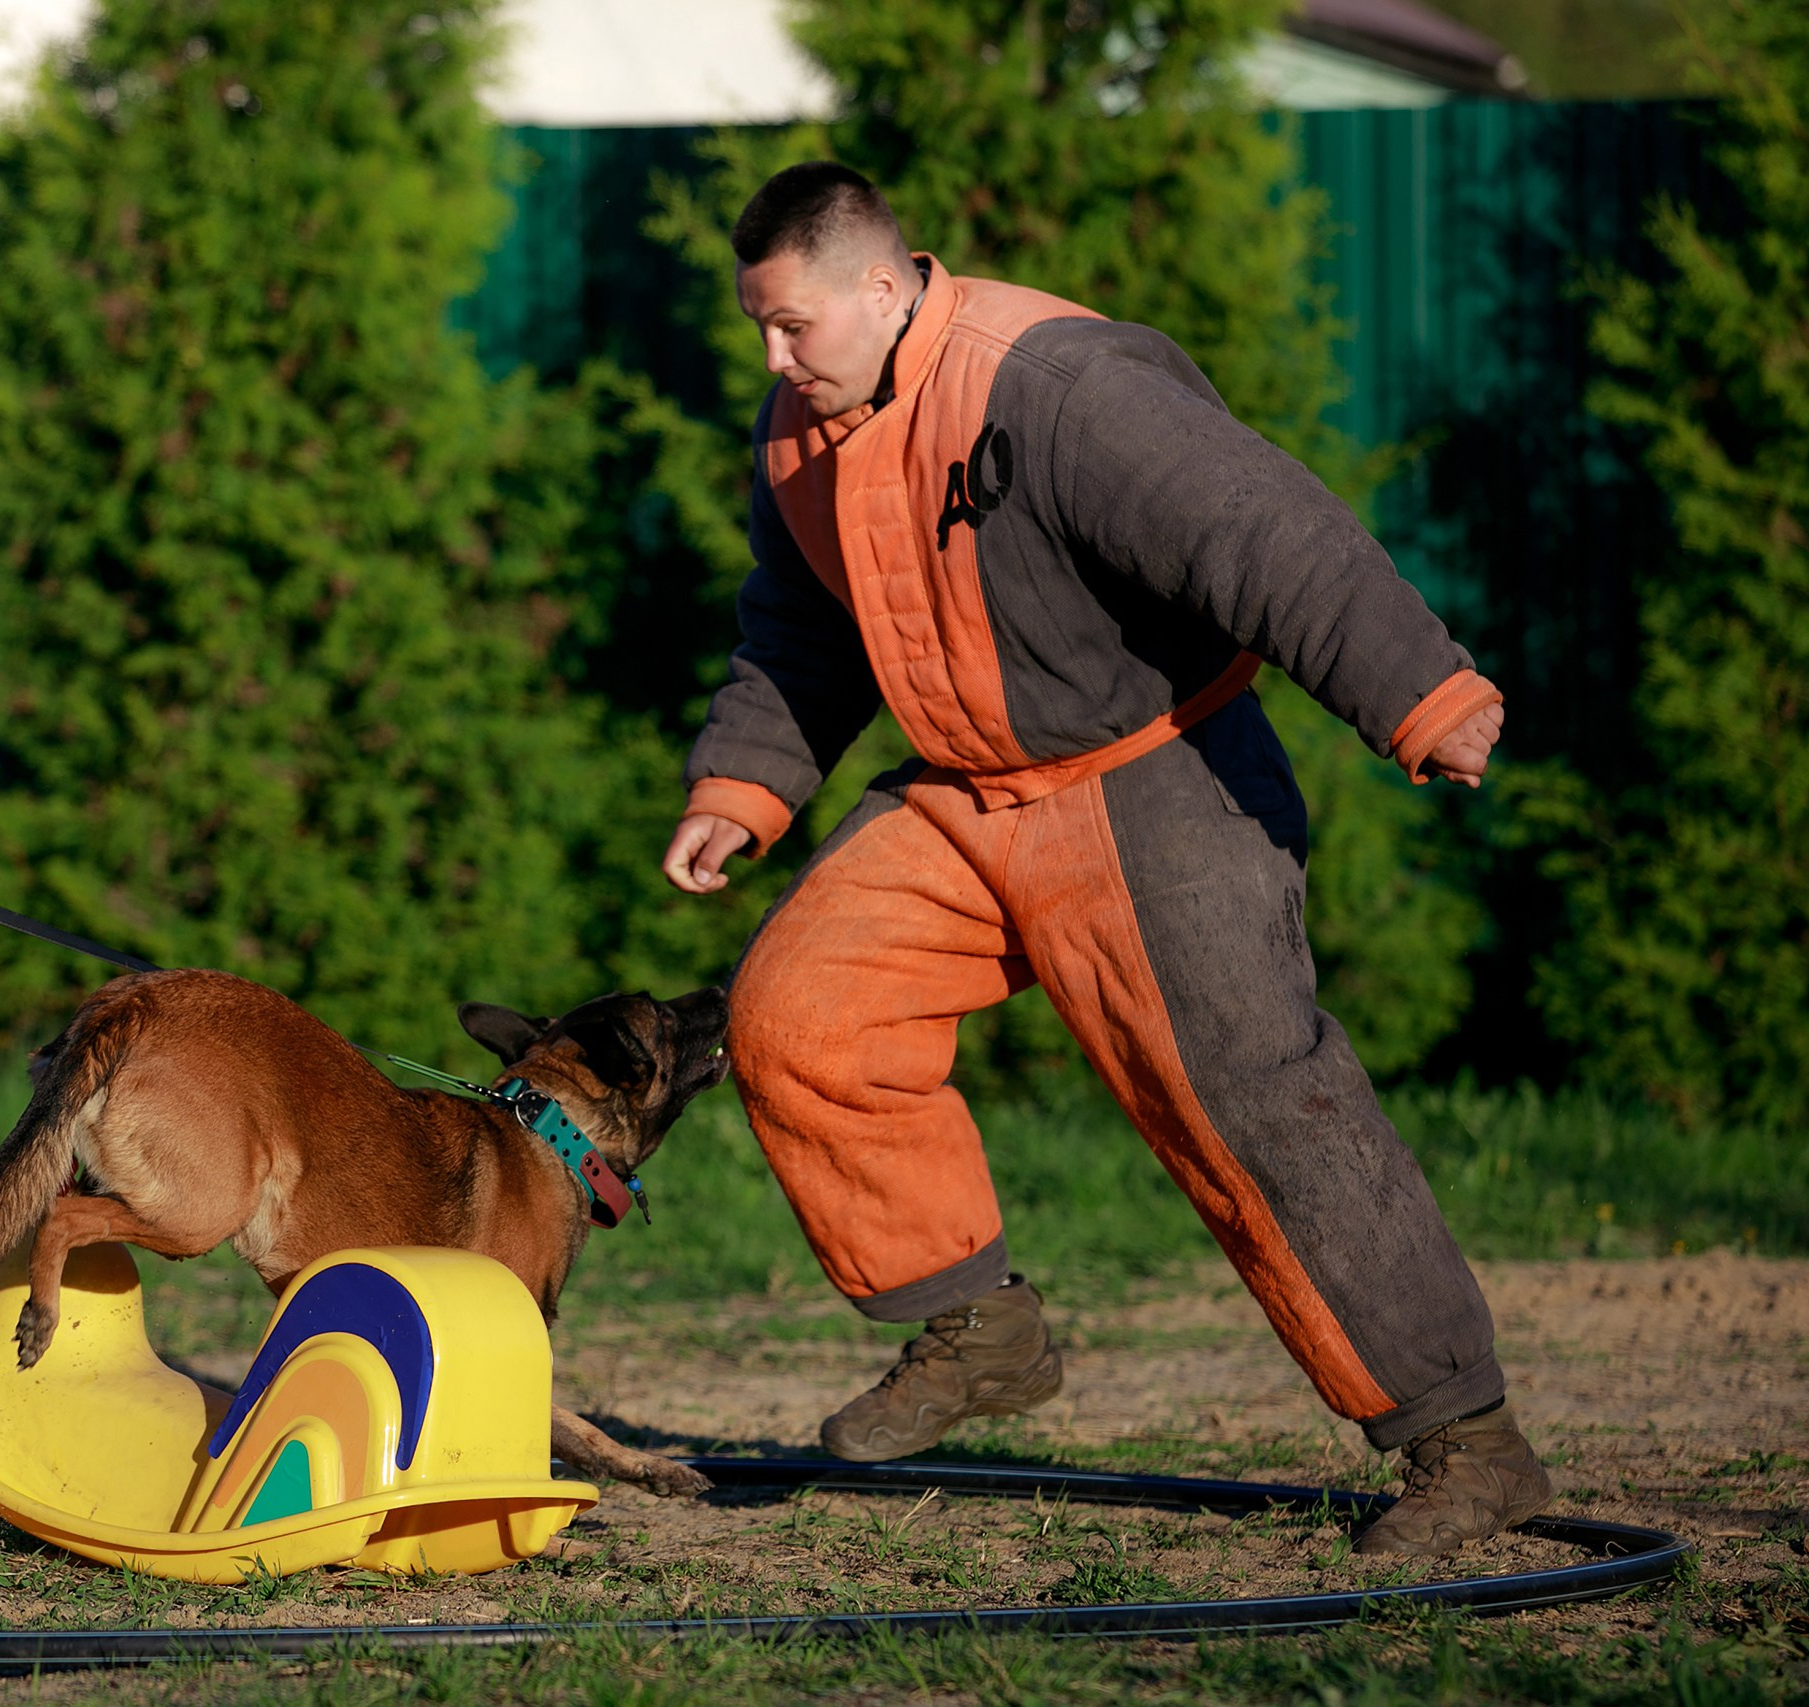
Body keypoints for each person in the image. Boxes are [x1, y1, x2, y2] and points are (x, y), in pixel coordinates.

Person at [660, 162, 1549, 1557]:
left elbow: (1263, 530)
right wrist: (745, 785)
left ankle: (1469, 1445)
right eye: (758, 328)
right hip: (970, 794)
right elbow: (800, 627)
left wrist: (1419, 693)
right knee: (797, 1015)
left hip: (1155, 778)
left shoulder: (1057, 383)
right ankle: (979, 1332)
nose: (772, 359)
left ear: (882, 289)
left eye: (791, 326)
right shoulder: (798, 437)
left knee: (1252, 1107)